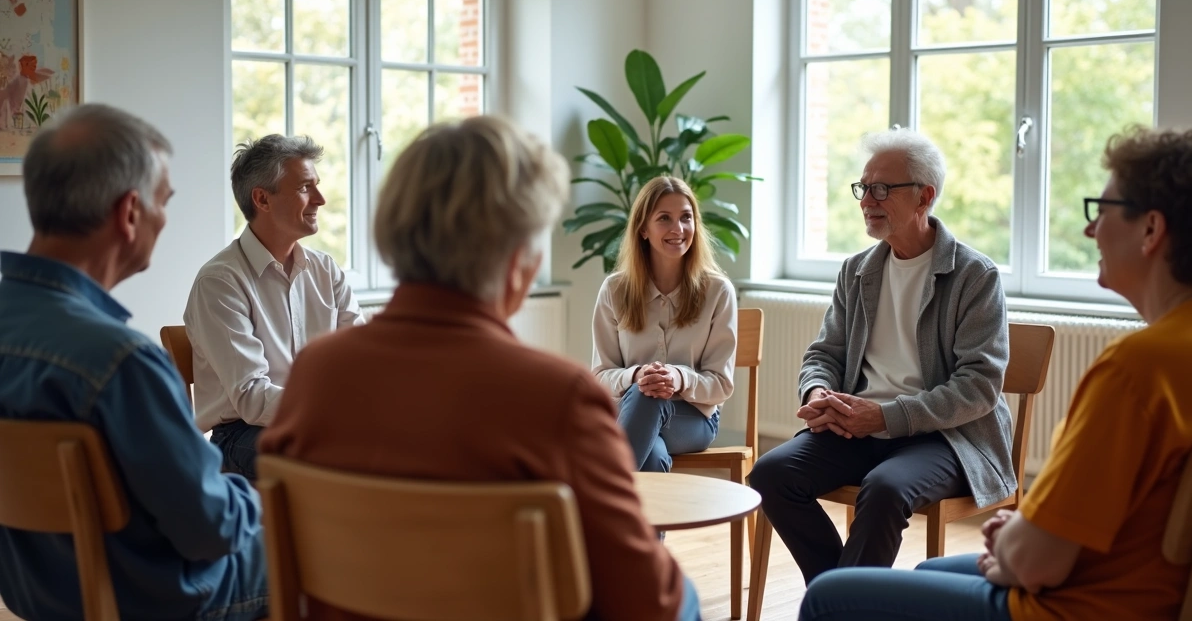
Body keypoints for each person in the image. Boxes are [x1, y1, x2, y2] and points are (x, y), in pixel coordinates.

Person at [259, 116, 702, 621]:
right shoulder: (559, 397)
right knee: (681, 596)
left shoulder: (316, 375)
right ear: (519, 260)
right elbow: (647, 604)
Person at [799, 125, 1192, 621]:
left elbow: (1037, 562)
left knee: (830, 599)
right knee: (924, 574)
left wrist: (1012, 541)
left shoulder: (1135, 371)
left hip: (1071, 606)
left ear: (1150, 230)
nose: (1090, 231)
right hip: (1143, 592)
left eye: (1100, 211)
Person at [0, 104, 266, 620]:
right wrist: (265, 496)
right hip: (160, 601)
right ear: (129, 213)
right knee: (328, 553)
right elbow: (210, 527)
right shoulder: (121, 364)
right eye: (163, 202)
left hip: (41, 595)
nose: (164, 218)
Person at [748, 128, 1013, 583]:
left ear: (924, 197)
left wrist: (885, 417)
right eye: (863, 187)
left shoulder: (974, 275)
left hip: (946, 437)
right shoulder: (857, 271)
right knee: (771, 474)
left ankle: (840, 603)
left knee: (886, 489)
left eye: (882, 189)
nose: (867, 199)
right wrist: (819, 392)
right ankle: (845, 598)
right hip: (858, 427)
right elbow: (824, 352)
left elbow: (978, 387)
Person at [185, 134, 363, 480]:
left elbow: (360, 361)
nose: (321, 200)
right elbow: (252, 398)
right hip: (241, 435)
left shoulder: (326, 270)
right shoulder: (220, 282)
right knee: (343, 454)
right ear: (262, 199)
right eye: (305, 188)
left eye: (317, 186)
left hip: (321, 424)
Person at [591, 176, 737, 473]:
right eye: (664, 219)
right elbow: (600, 376)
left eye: (686, 218)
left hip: (695, 419)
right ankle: (640, 519)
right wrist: (638, 375)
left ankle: (597, 503)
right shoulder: (615, 290)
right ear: (643, 229)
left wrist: (677, 378)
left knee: (649, 396)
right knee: (653, 456)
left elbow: (721, 385)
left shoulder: (718, 291)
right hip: (628, 412)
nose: (678, 229)